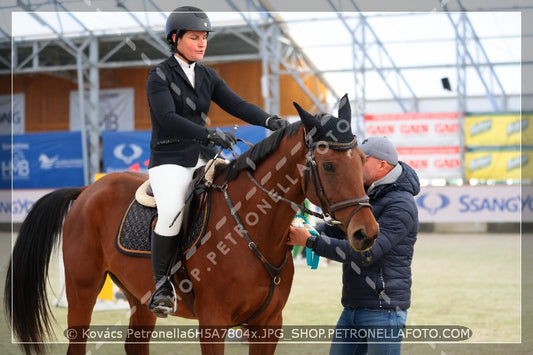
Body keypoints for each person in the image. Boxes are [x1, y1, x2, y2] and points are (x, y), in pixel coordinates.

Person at [146, 5, 288, 317]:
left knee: (240, 194)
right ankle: (161, 284)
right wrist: (209, 135)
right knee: (171, 211)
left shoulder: (208, 76)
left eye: (204, 38)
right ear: (175, 38)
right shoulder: (158, 76)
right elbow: (167, 118)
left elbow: (237, 104)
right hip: (170, 159)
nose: (201, 43)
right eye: (194, 37)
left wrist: (271, 121)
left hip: (205, 159)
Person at [288, 136, 420, 354]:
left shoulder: (401, 205)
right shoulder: (366, 194)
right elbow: (335, 228)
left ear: (382, 165)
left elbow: (365, 252)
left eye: (362, 160)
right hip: (352, 307)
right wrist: (310, 230)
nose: (356, 166)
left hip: (383, 312)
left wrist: (310, 241)